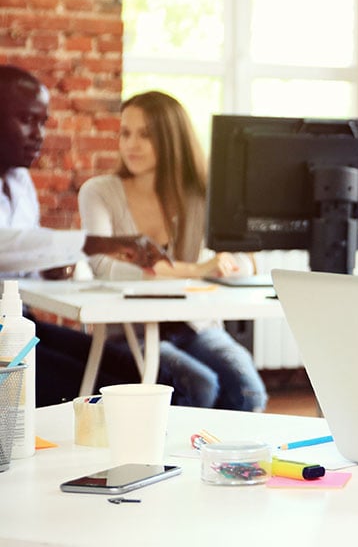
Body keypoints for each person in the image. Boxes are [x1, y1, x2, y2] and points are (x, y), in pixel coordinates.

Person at [78, 90, 268, 412]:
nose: (131, 145)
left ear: (172, 140)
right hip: (128, 331)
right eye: (125, 133)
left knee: (248, 392)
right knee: (200, 385)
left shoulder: (202, 193)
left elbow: (246, 260)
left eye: (145, 135)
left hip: (194, 324)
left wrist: (224, 263)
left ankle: (222, 459)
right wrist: (195, 270)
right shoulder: (99, 192)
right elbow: (102, 265)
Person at [0, 64, 172, 405]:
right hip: (5, 337)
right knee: (106, 391)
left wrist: (45, 268)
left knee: (141, 377)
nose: (38, 134)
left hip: (19, 323)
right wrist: (95, 242)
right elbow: (6, 244)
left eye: (43, 122)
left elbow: (24, 252)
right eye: (25, 119)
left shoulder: (19, 181)